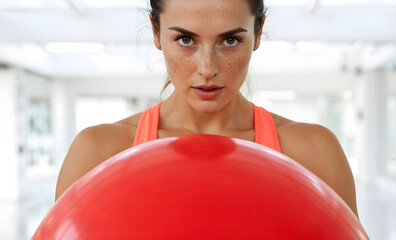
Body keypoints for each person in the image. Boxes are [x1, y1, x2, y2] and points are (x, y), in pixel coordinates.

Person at [55, 0, 359, 218]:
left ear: (259, 32)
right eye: (185, 39)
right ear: (155, 31)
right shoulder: (97, 153)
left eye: (230, 40)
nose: (207, 69)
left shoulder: (315, 152)